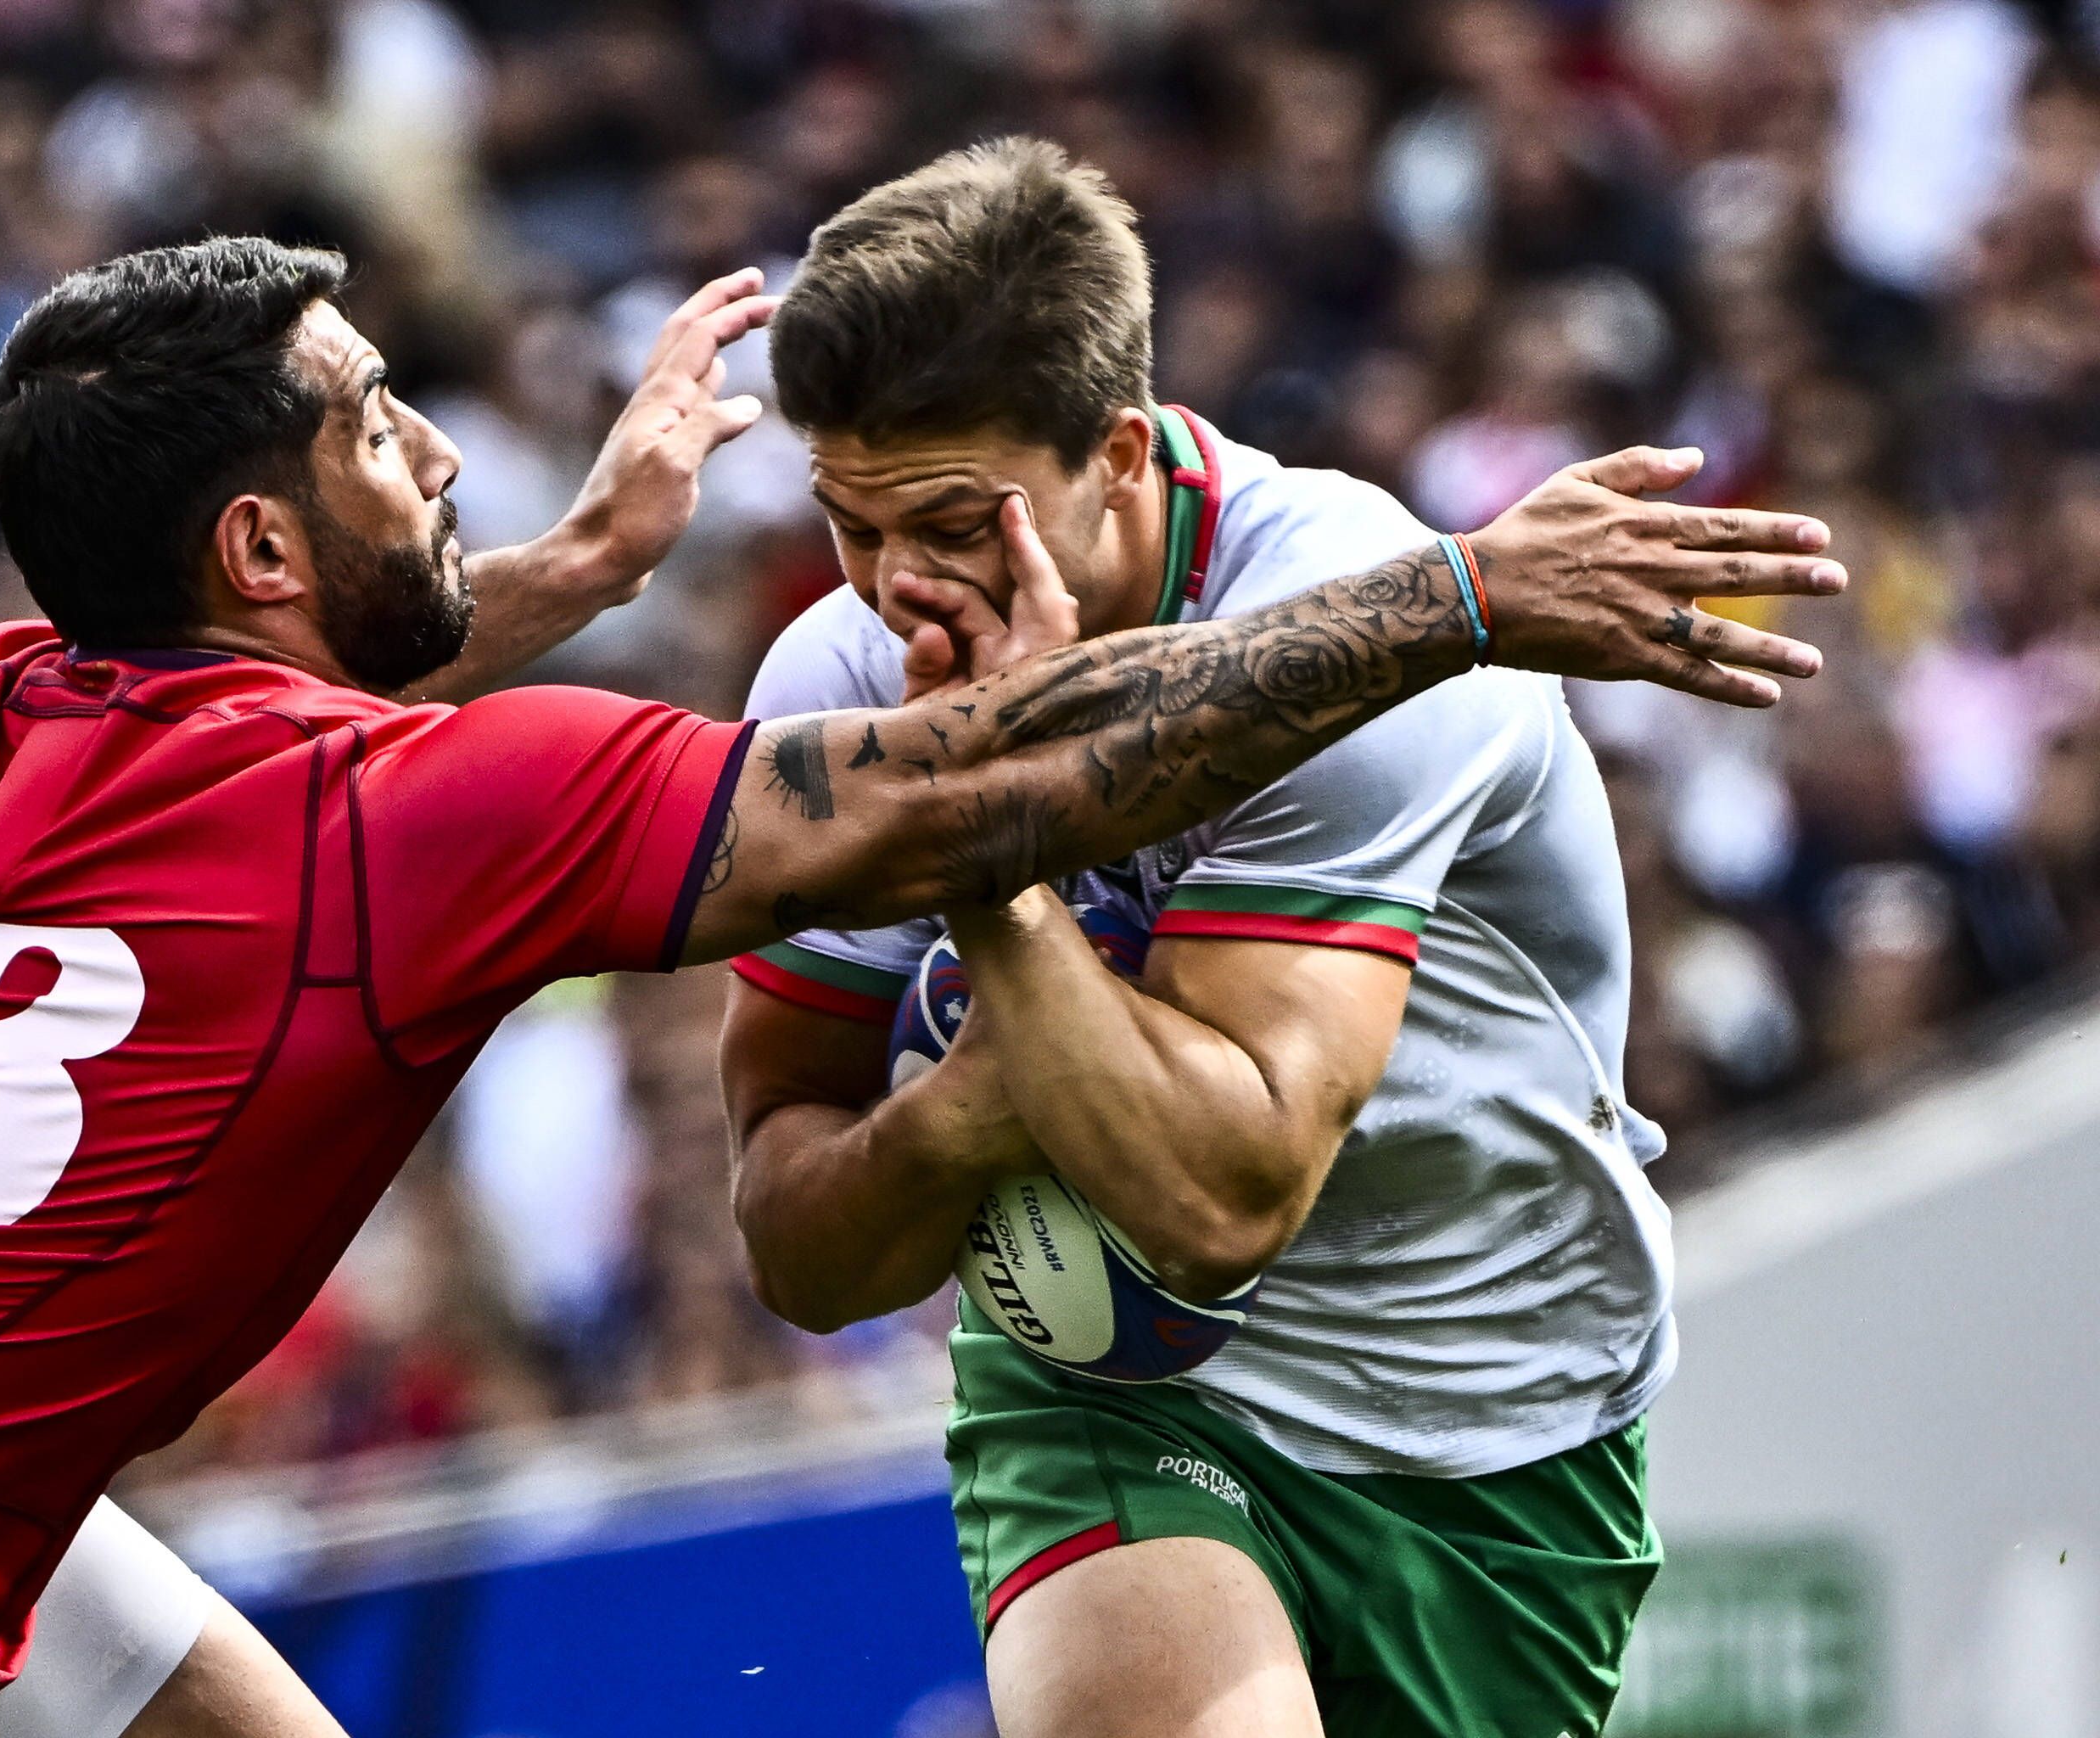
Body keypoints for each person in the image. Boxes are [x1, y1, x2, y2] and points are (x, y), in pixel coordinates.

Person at [0, 229, 1829, 1738]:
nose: (436, 447)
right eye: (377, 423)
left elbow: (312, 703)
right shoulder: (411, 822)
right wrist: (1457, 600)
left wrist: (577, 566)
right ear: (259, 542)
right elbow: (968, 800)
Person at [715, 139, 1818, 1736]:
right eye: (849, 525)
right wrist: (957, 1114)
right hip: (1110, 1387)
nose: (898, 589)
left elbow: (1222, 1195)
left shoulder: (1366, 631)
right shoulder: (840, 682)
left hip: (1492, 1420)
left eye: (955, 521)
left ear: (1117, 451)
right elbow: (799, 1245)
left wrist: (986, 855)